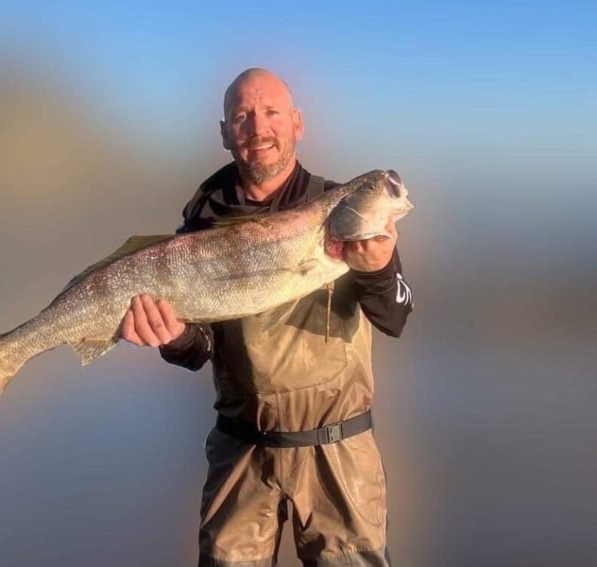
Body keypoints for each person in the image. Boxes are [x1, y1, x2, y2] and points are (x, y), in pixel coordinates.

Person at [121, 68, 413, 567]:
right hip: (241, 451)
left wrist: (380, 269)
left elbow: (396, 316)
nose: (258, 128)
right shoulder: (198, 230)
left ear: (297, 123)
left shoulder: (340, 213)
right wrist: (171, 339)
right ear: (224, 133)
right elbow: (199, 351)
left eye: (272, 112)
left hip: (339, 453)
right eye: (242, 116)